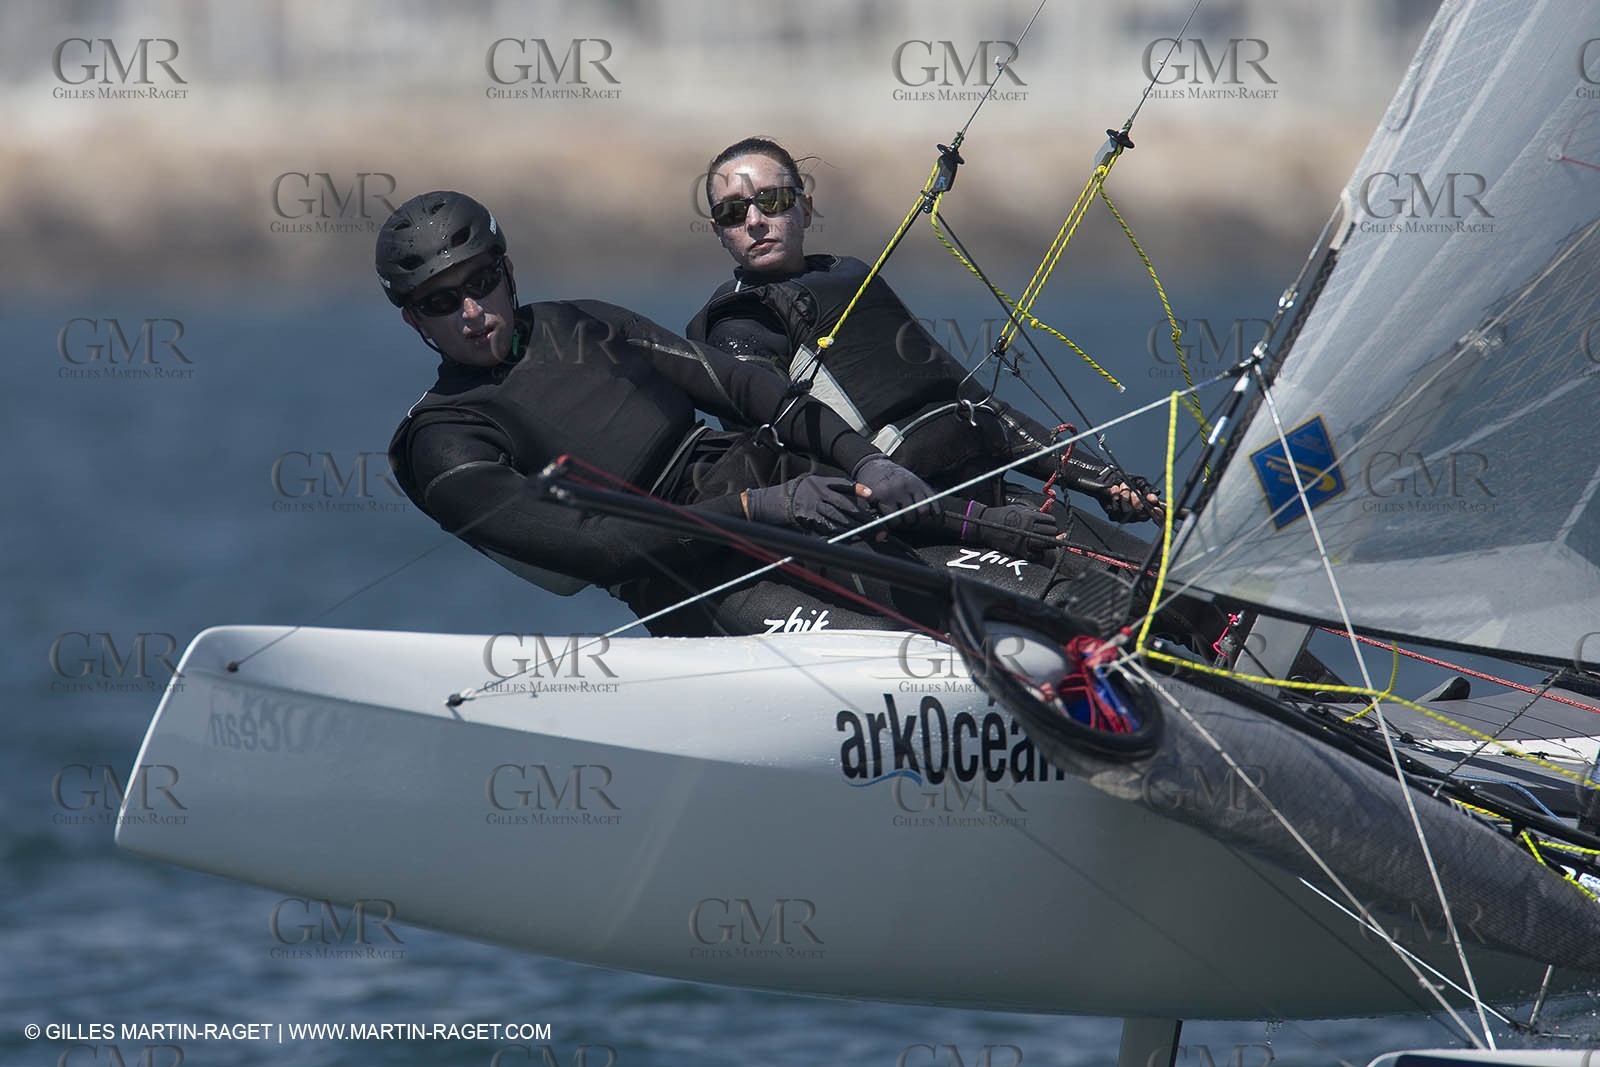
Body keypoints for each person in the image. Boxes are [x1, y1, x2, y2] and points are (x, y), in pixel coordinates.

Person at [379, 191, 1071, 637]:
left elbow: (744, 391)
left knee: (1005, 564)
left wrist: (863, 459)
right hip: (690, 578)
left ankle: (1060, 577)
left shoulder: (578, 322)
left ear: (507, 271)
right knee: (895, 635)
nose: (472, 312)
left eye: (479, 283)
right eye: (442, 302)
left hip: (765, 485)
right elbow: (598, 547)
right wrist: (756, 509)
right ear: (415, 321)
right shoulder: (441, 441)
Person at [685, 136, 1164, 528]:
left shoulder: (848, 275)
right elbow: (789, 470)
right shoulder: (739, 324)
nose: (753, 220)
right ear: (717, 229)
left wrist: (1100, 479)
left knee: (1179, 590)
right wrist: (984, 524)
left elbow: (978, 405)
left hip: (990, 490)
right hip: (915, 525)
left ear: (805, 208)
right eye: (732, 212)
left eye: (771, 200)